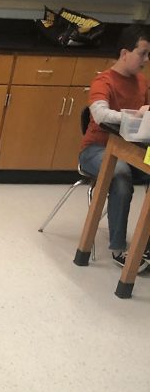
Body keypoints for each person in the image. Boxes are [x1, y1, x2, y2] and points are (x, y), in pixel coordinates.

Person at [79, 24, 150, 274]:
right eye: (142, 53)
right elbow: (99, 114)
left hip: (130, 151)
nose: (146, 60)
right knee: (119, 175)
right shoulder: (104, 80)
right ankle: (119, 249)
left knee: (131, 168)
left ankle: (145, 246)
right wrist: (134, 115)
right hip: (96, 150)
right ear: (124, 53)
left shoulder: (142, 82)